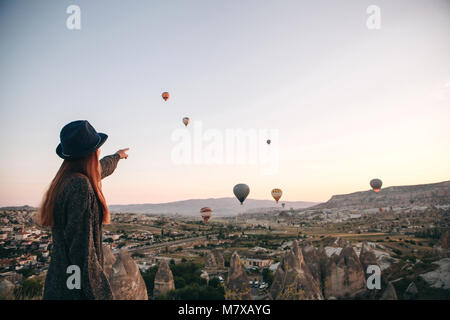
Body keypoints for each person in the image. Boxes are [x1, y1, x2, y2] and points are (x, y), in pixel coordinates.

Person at [38, 120, 129, 300]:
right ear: (90, 154)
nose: (99, 151)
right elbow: (81, 254)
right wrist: (100, 295)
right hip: (72, 289)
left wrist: (117, 156)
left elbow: (101, 168)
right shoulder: (79, 186)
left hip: (60, 282)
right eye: (98, 148)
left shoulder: (66, 180)